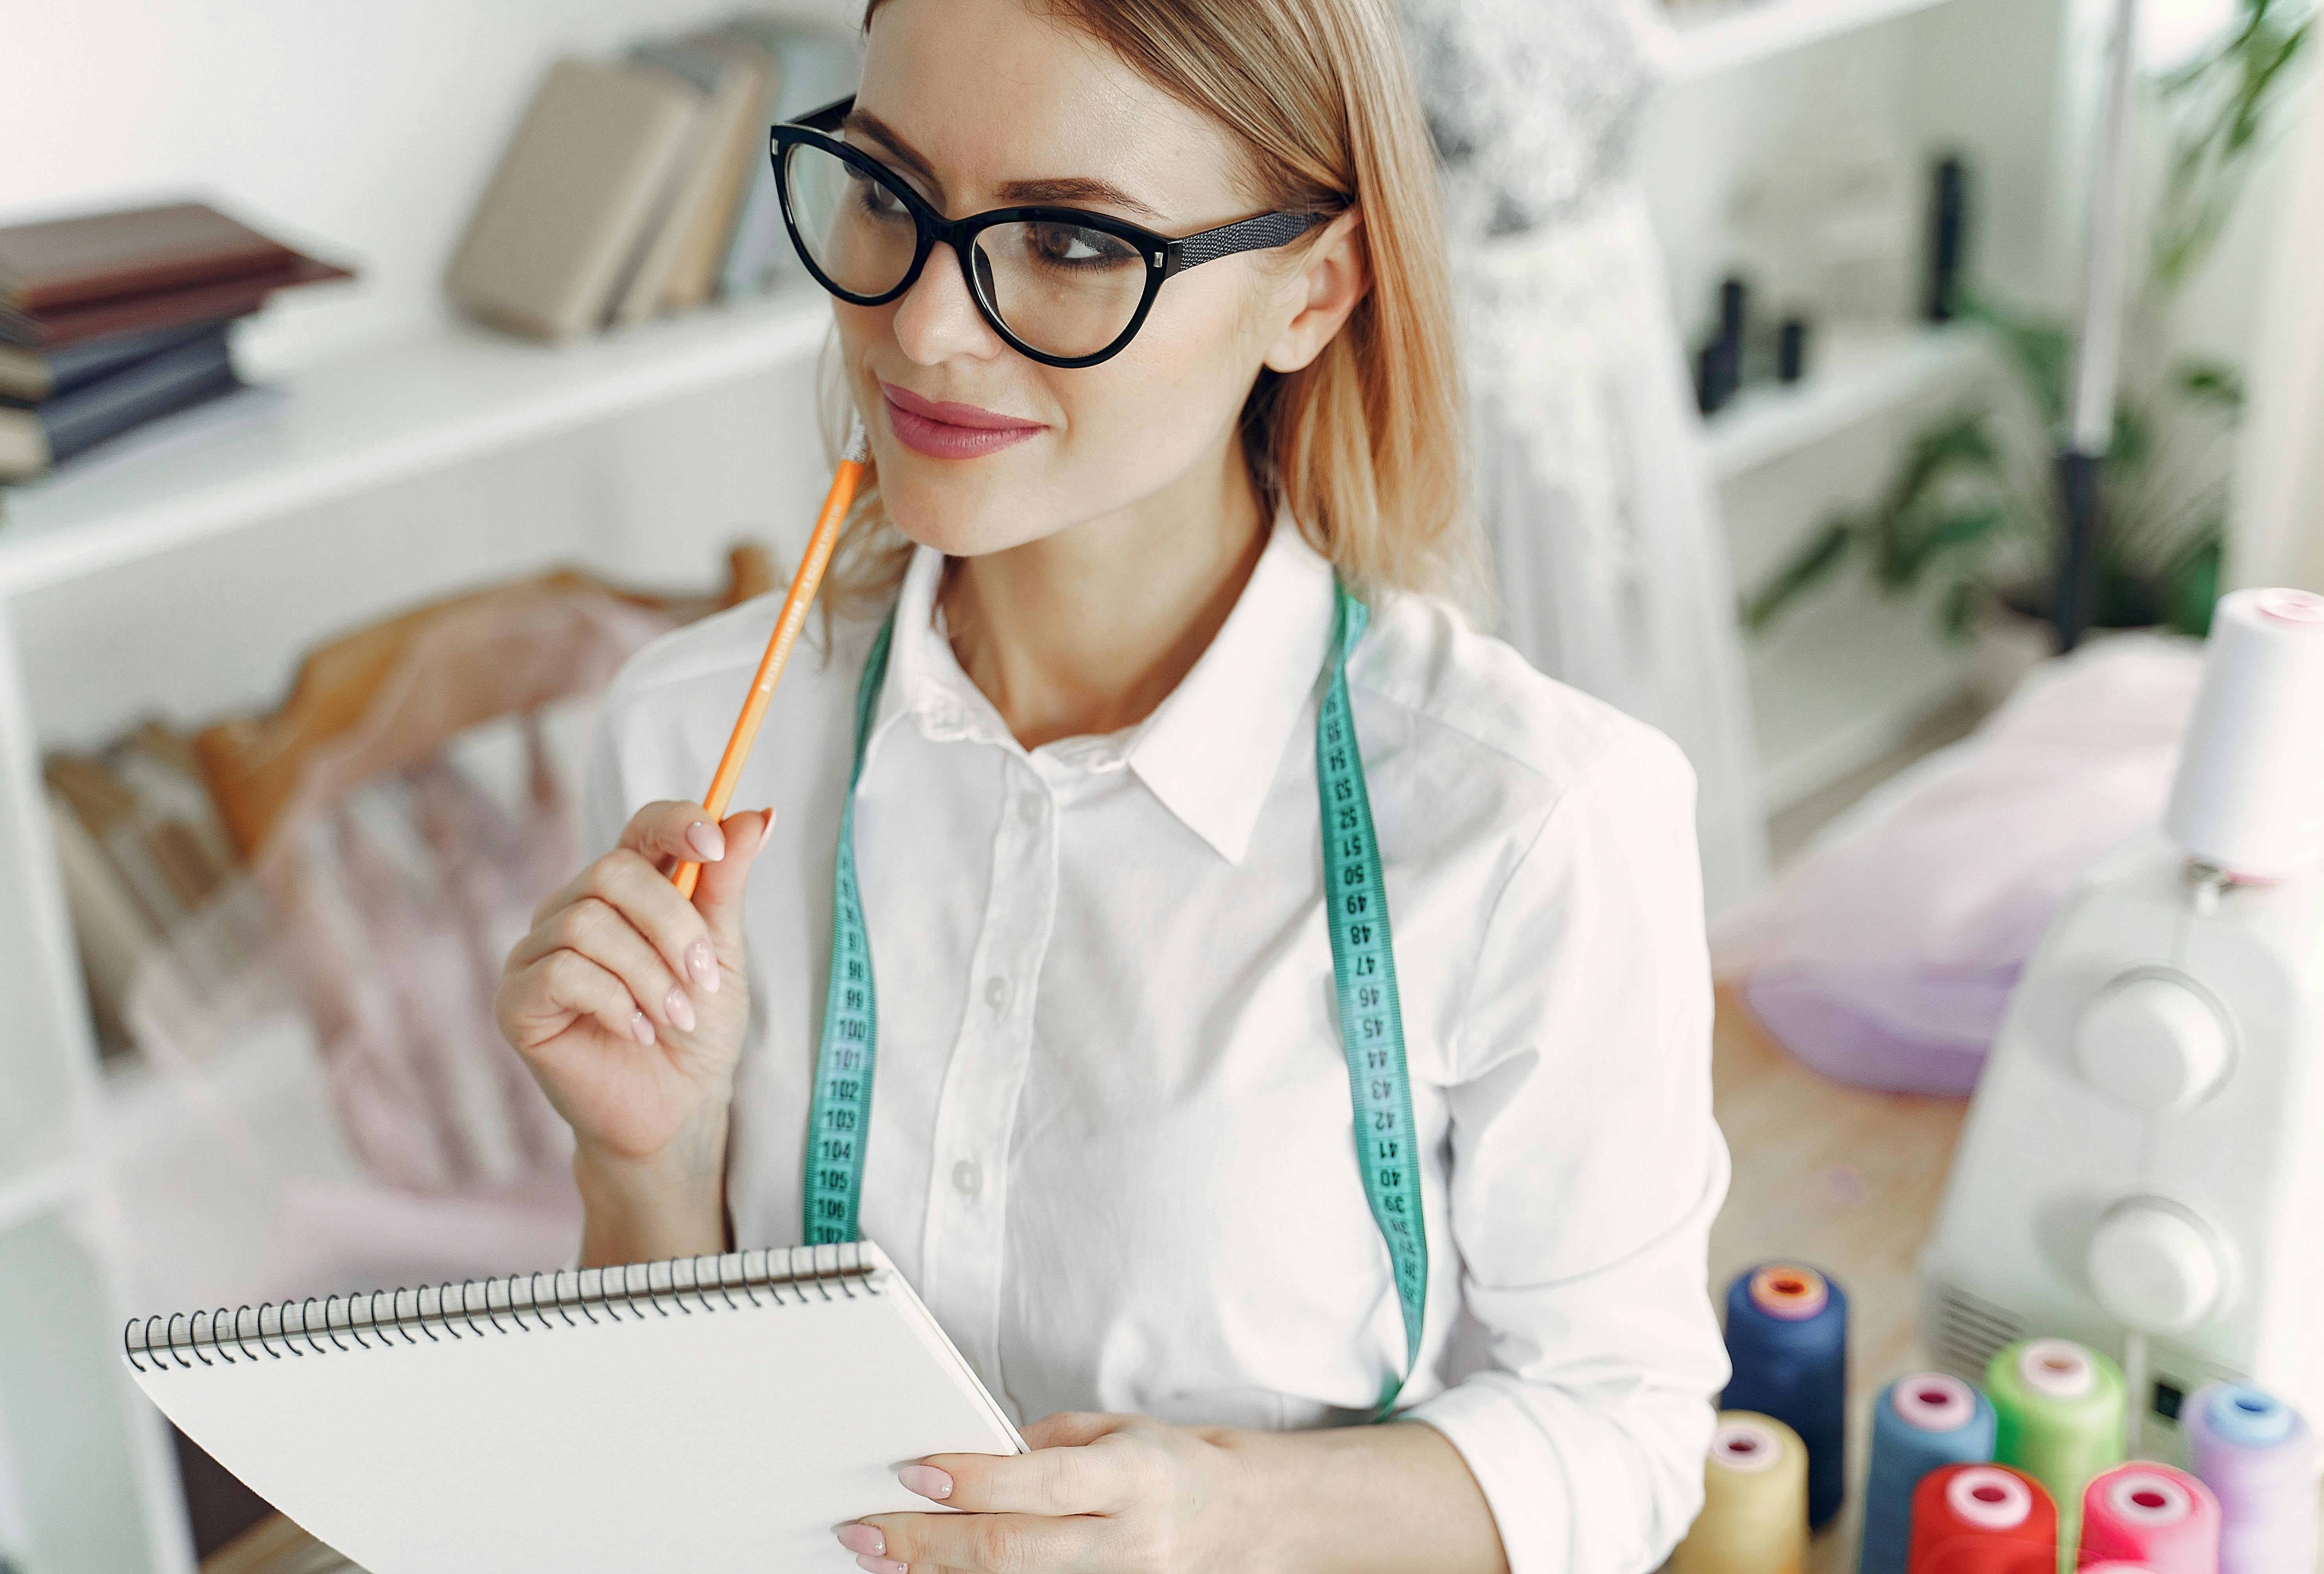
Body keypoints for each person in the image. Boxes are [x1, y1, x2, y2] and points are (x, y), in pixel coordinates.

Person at [495, 2, 1729, 1570]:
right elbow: (664, 1463)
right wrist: (645, 1175)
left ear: (1314, 288)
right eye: (886, 193)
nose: (927, 327)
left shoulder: (1540, 822)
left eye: (1073, 240)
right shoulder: (692, 734)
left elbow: (1623, 1429)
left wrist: (1222, 1520)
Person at [1396, 0, 1770, 918]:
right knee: (1500, 680)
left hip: (1619, 336)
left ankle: (1635, 922)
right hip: (1481, 357)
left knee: (1639, 636)